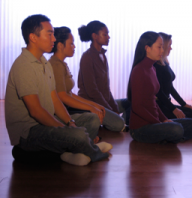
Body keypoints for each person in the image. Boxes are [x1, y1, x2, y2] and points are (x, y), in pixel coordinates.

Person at [5, 14, 112, 166]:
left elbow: (55, 99)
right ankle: (91, 150)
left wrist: (70, 122)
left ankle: (76, 151)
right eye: (49, 35)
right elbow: (36, 111)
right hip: (30, 132)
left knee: (91, 119)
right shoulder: (23, 66)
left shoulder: (44, 63)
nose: (54, 39)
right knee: (78, 135)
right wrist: (67, 129)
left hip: (46, 123)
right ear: (33, 37)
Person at [49, 26, 126, 134]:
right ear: (61, 46)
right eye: (71, 44)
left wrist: (97, 106)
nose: (74, 46)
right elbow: (63, 96)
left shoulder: (62, 64)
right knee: (119, 123)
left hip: (93, 102)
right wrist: (92, 106)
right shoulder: (57, 64)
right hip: (69, 110)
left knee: (127, 103)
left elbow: (69, 93)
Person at [127, 31, 192, 143]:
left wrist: (165, 119)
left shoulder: (152, 68)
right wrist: (159, 122)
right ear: (147, 48)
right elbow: (137, 107)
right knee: (176, 128)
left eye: (162, 47)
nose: (162, 50)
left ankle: (169, 137)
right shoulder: (139, 70)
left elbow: (153, 102)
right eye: (159, 47)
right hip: (140, 129)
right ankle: (171, 136)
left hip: (155, 122)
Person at [77, 20, 130, 125]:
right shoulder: (87, 57)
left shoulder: (102, 55)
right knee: (119, 123)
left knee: (130, 103)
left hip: (104, 102)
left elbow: (106, 87)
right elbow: (92, 91)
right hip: (93, 104)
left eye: (108, 34)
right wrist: (110, 109)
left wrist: (114, 107)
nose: (108, 37)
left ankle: (122, 124)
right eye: (105, 34)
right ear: (95, 36)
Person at [154, 32, 192, 119]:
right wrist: (173, 109)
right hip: (160, 106)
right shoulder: (156, 65)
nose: (171, 48)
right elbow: (159, 93)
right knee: (189, 115)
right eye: (169, 45)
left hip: (165, 103)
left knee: (190, 112)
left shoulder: (164, 63)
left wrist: (184, 104)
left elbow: (170, 88)